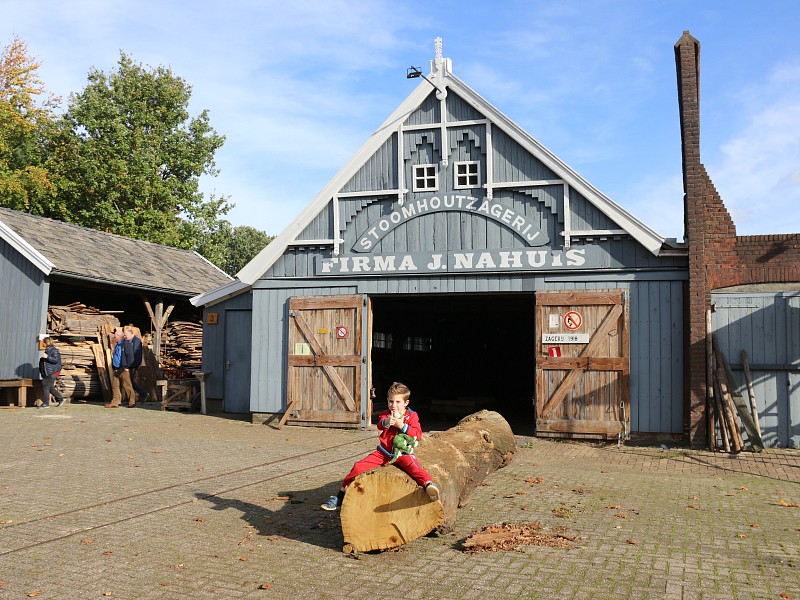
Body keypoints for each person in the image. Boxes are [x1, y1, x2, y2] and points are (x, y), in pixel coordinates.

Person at [321, 382, 440, 511]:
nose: (393, 406)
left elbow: (418, 434)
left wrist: (402, 426)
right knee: (358, 466)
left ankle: (429, 485)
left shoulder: (411, 416)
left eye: (397, 402)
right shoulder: (386, 414)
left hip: (403, 454)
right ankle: (340, 497)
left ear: (406, 403)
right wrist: (387, 421)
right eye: (390, 402)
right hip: (383, 453)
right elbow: (379, 425)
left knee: (415, 468)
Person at [105, 328, 135, 408]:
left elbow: (131, 357)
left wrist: (127, 366)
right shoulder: (117, 345)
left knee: (127, 385)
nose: (114, 338)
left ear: (119, 336)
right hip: (116, 368)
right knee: (115, 386)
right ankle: (116, 401)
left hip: (123, 369)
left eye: (115, 337)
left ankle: (132, 401)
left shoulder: (126, 344)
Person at [123, 325, 148, 404]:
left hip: (133, 364)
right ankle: (130, 397)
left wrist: (132, 365)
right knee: (129, 381)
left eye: (126, 335)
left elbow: (135, 355)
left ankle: (143, 393)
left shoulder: (136, 341)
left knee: (131, 381)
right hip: (131, 364)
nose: (125, 337)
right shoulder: (130, 341)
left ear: (130, 334)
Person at [38, 337, 65, 408]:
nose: (42, 344)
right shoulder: (48, 350)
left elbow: (56, 360)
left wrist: (47, 357)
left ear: (46, 343)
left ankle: (46, 404)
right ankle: (61, 399)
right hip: (48, 372)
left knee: (45, 386)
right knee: (50, 388)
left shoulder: (54, 350)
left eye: (43, 342)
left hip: (52, 372)